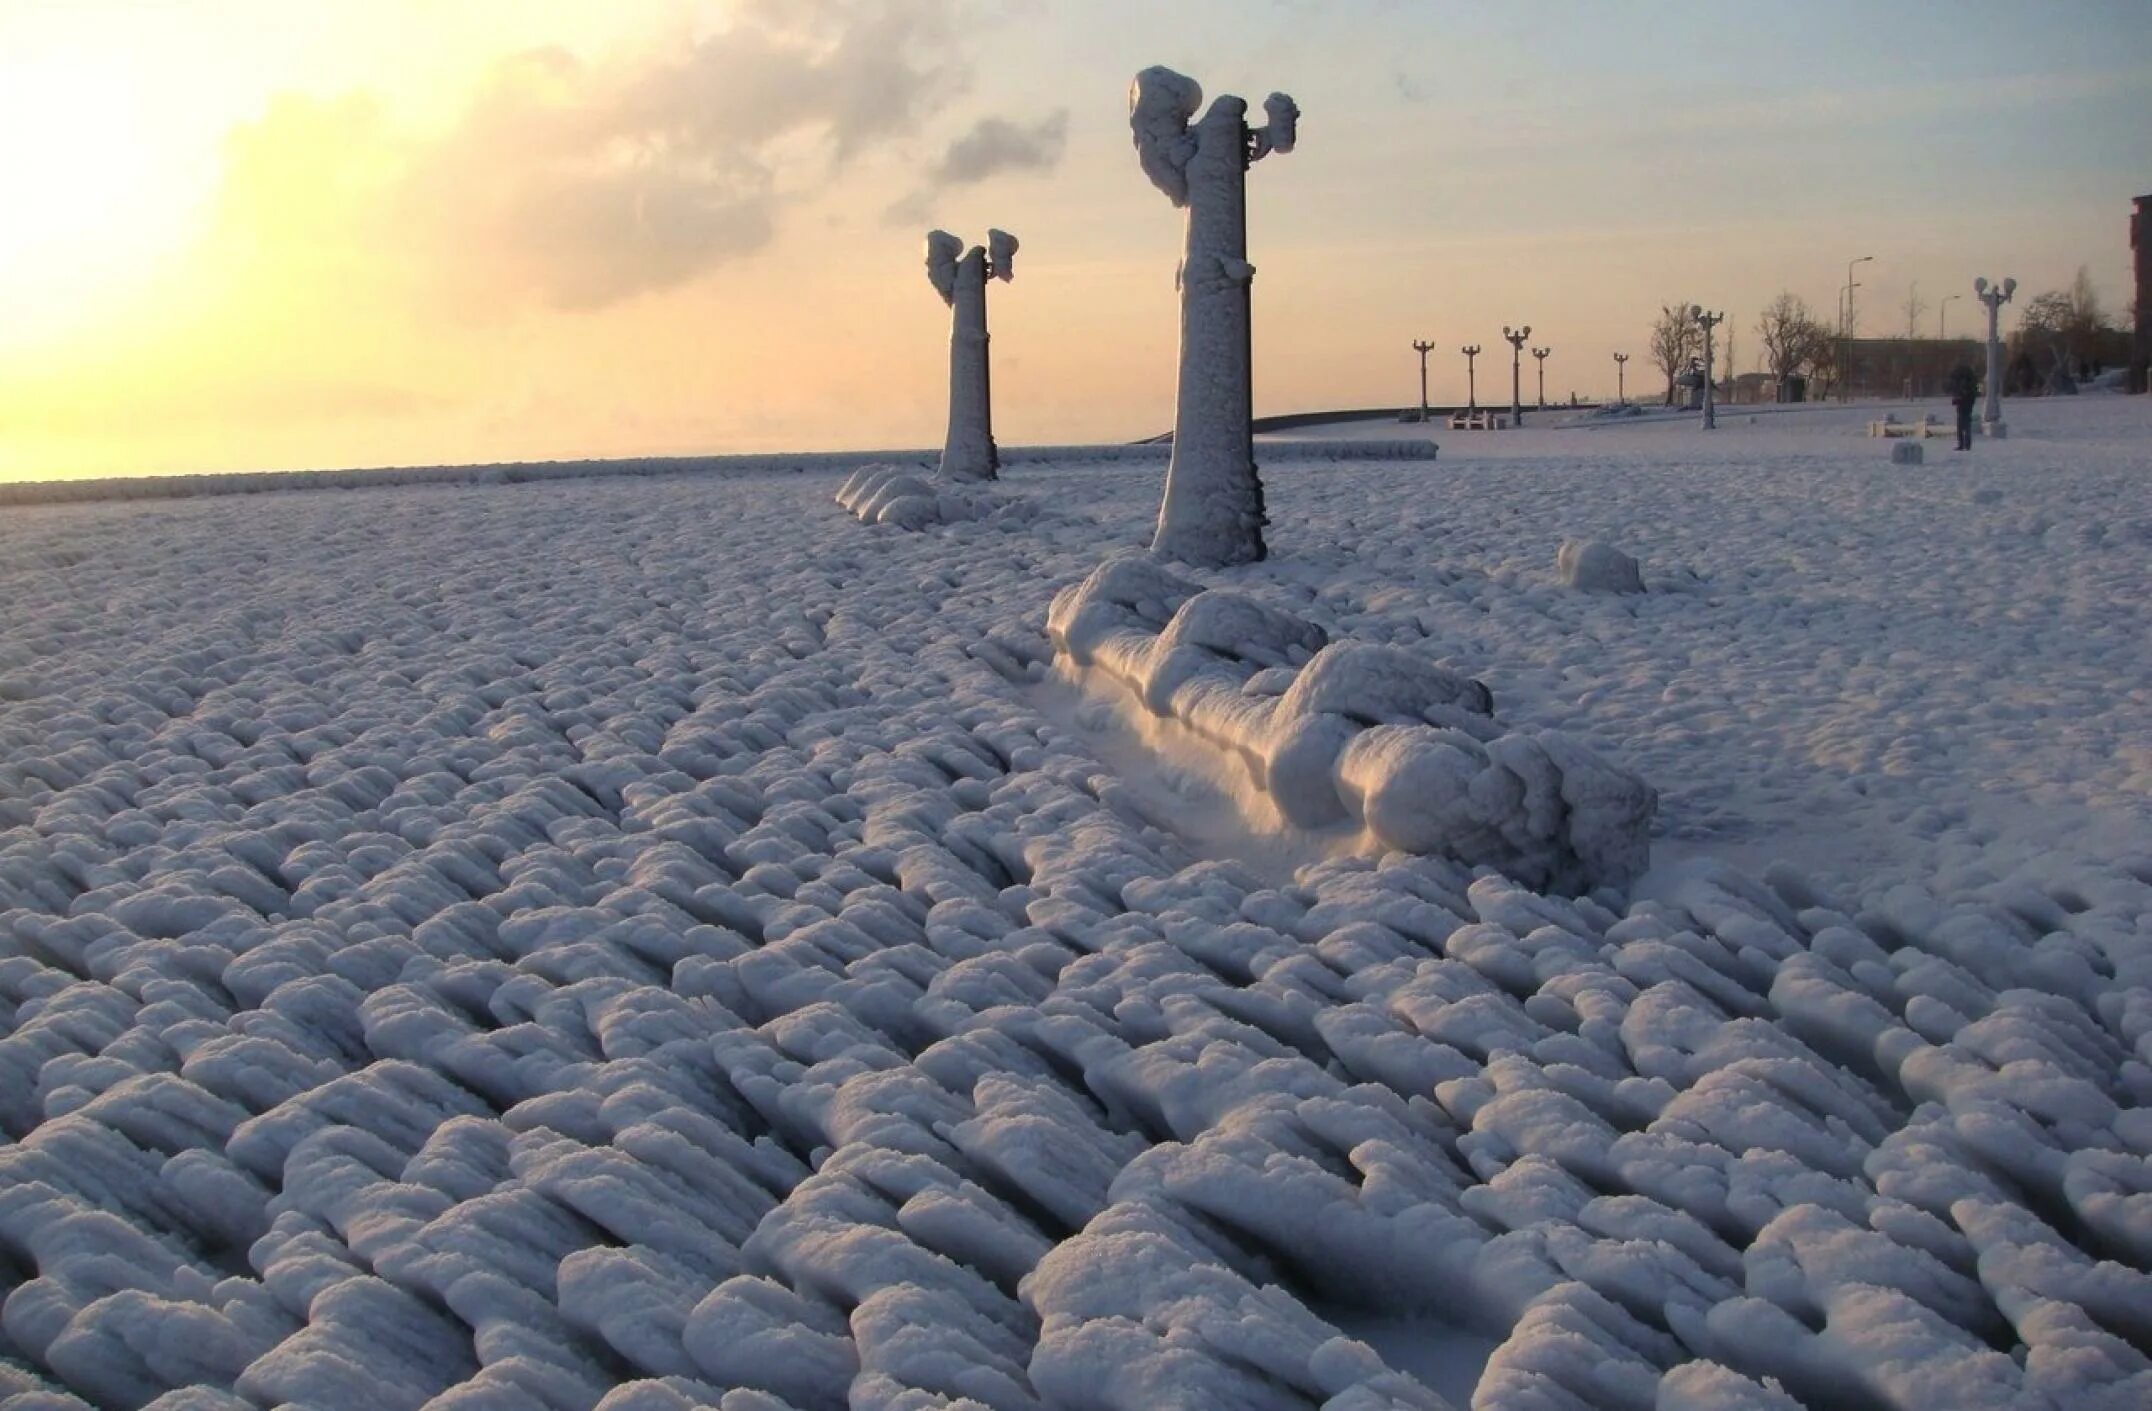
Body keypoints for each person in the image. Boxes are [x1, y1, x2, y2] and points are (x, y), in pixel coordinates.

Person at [1946, 364, 1979, 451]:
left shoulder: (1964, 383)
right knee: (1964, 426)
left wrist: (1958, 399)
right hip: (1966, 406)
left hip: (1964, 406)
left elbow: (1965, 395)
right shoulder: (1969, 382)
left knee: (1963, 426)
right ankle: (1965, 444)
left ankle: (1963, 444)